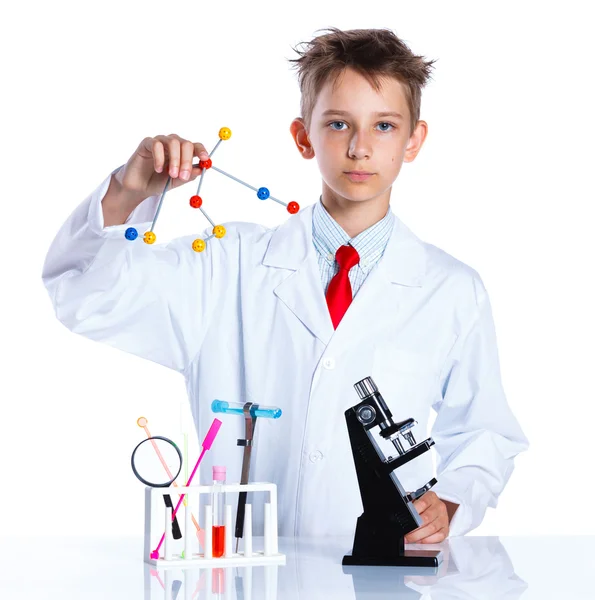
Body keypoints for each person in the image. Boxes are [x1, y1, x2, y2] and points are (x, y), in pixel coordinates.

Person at [41, 27, 529, 543]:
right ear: (303, 136)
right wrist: (127, 190)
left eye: (384, 126)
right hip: (245, 570)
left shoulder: (451, 290)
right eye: (338, 123)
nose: (361, 147)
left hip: (387, 572)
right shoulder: (227, 266)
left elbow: (485, 430)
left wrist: (449, 505)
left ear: (414, 140)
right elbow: (84, 294)